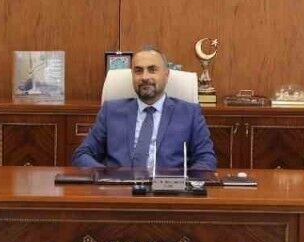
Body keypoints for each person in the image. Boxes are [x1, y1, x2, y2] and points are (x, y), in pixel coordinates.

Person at [71, 47, 216, 172]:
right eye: (138, 71)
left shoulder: (189, 113)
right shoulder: (111, 112)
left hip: (169, 191)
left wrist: (186, 184)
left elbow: (206, 158)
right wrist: (107, 176)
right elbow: (82, 154)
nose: (145, 77)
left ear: (166, 75)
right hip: (119, 190)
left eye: (152, 70)